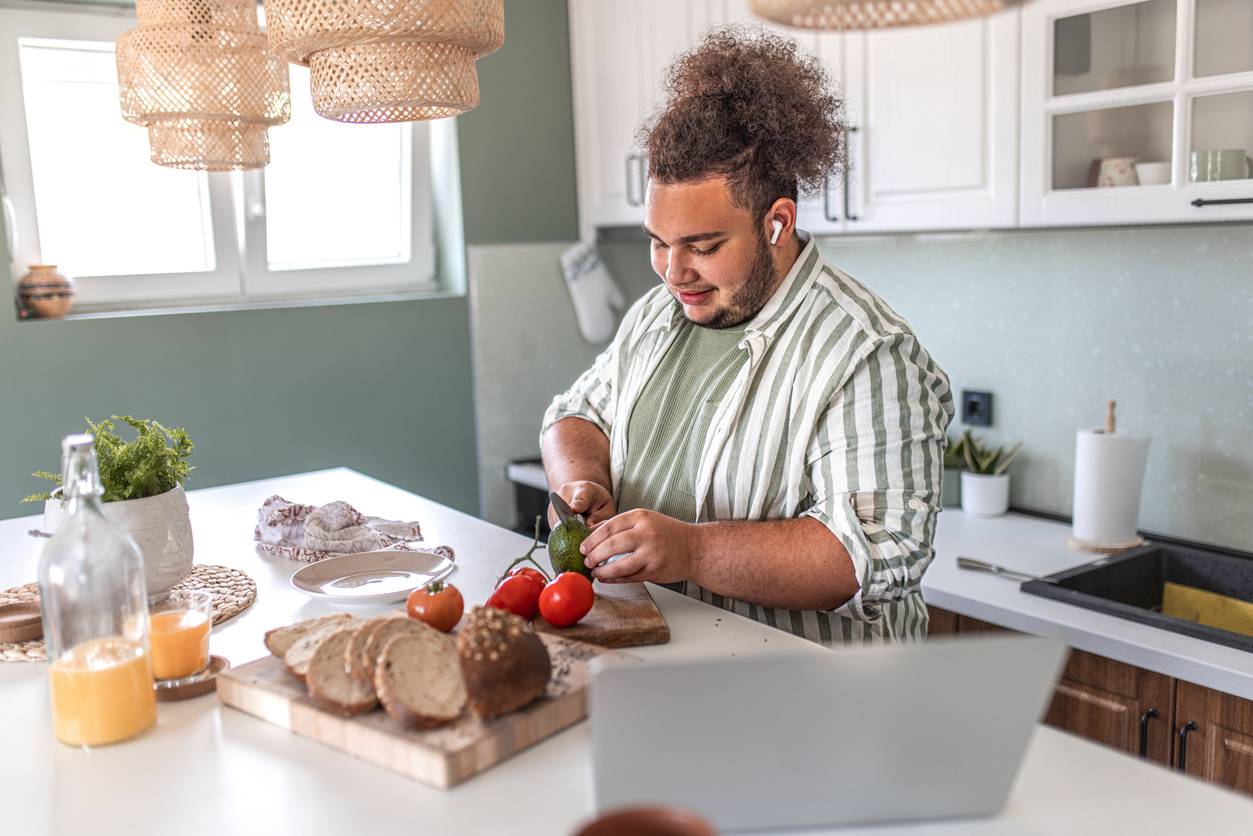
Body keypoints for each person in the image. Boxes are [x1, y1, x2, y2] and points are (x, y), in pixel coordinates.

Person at [540, 28, 953, 643]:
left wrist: (692, 552)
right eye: (658, 242)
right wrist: (584, 481)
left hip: (815, 706)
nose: (673, 272)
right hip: (675, 683)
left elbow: (869, 555)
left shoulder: (867, 354)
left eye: (702, 247)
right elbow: (576, 414)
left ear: (777, 222)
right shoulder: (657, 316)